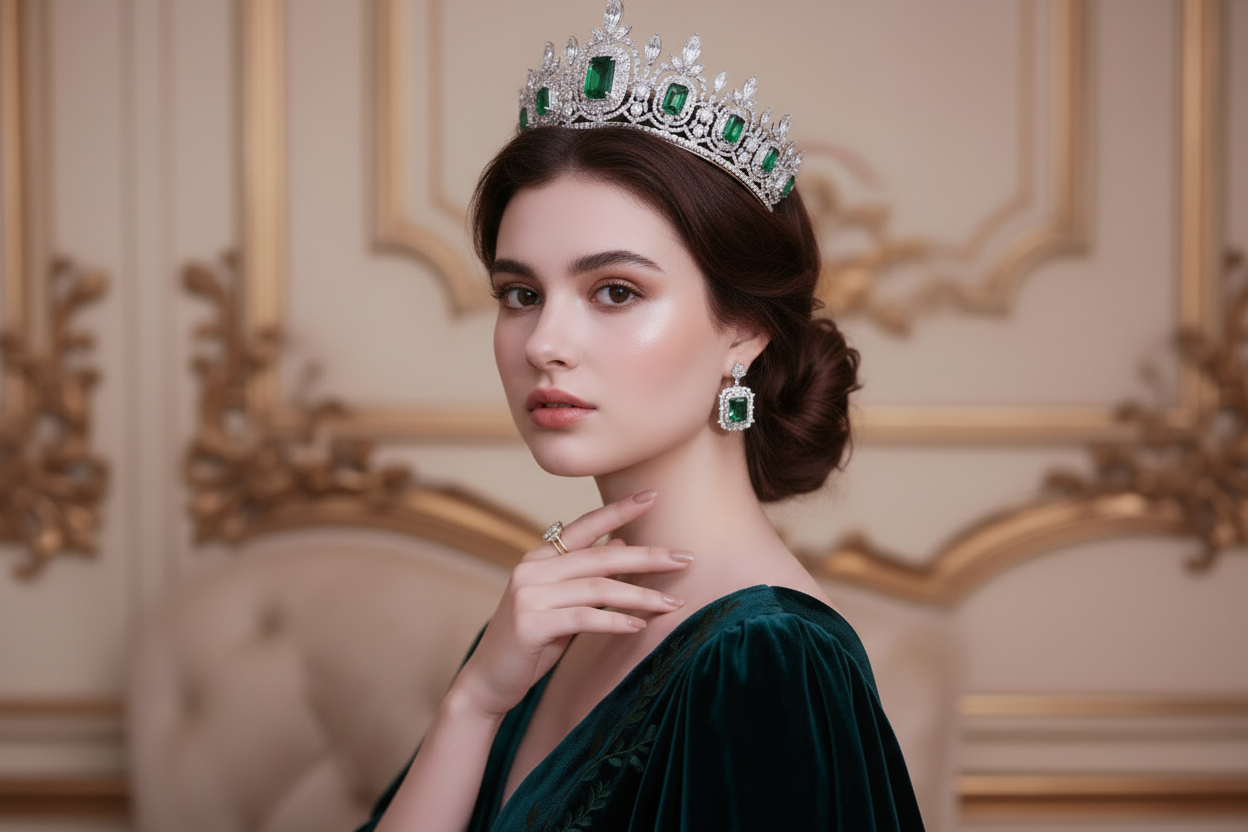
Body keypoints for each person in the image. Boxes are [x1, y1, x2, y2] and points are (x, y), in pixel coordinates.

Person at [360, 2, 924, 829]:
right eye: (521, 294)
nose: (545, 341)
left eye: (615, 292)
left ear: (745, 330)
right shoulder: (550, 619)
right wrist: (476, 701)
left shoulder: (766, 664)